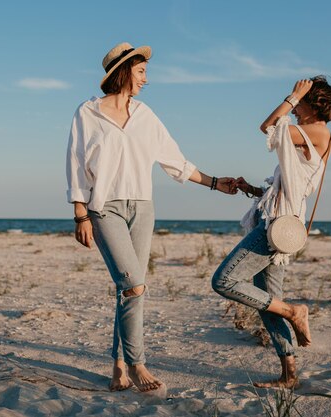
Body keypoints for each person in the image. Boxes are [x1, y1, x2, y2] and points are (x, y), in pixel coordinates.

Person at [66, 42, 235, 393]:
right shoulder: (87, 112)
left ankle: (117, 365)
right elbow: (76, 164)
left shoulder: (145, 115)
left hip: (143, 208)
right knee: (134, 284)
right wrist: (80, 214)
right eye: (141, 72)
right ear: (124, 71)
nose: (146, 79)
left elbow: (176, 161)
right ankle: (137, 362)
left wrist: (216, 183)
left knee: (128, 291)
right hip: (104, 208)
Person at [212, 76, 331, 388]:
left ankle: (294, 311)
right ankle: (289, 374)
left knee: (224, 281)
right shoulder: (308, 133)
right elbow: (285, 188)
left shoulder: (318, 131)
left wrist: (293, 95)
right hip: (273, 218)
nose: (296, 111)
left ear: (315, 106)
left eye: (302, 105)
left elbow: (268, 127)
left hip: (276, 226)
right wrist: (251, 189)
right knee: (267, 301)